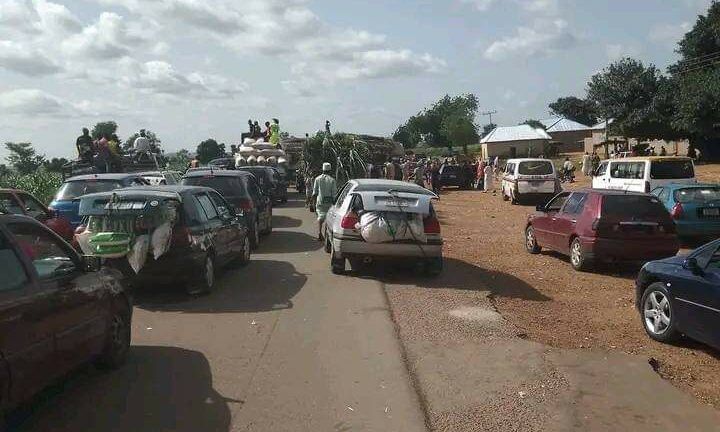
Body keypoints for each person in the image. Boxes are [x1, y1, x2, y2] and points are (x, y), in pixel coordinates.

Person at [312, 162, 337, 241]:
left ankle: (319, 232)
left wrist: (313, 203)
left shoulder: (317, 179)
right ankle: (327, 234)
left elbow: (314, 193)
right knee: (329, 219)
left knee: (320, 217)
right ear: (329, 170)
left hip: (320, 201)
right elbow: (334, 194)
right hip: (329, 202)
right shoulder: (332, 180)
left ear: (322, 170)